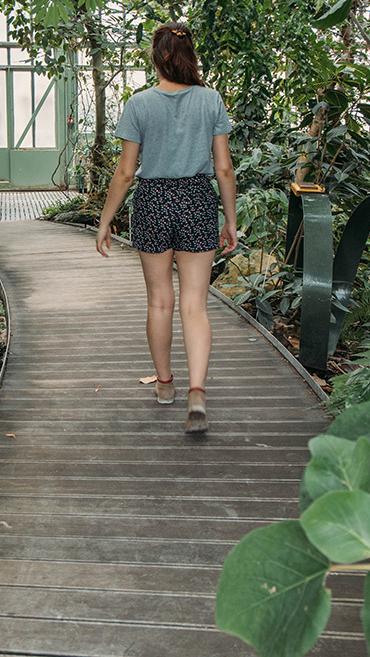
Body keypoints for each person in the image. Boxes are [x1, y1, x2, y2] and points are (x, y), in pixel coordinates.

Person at [95, 22, 237, 434]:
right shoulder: (211, 101)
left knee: (160, 302)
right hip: (196, 199)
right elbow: (223, 167)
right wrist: (229, 220)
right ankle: (197, 391)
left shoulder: (139, 104)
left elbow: (124, 173)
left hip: (153, 202)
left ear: (156, 58)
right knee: (195, 304)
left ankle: (164, 386)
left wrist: (105, 221)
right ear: (189, 57)